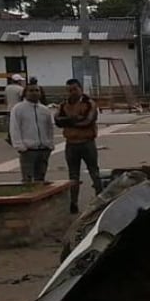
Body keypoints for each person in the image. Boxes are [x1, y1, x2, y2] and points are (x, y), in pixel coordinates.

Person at [56, 78, 102, 210]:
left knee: (94, 172)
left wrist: (68, 122)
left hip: (87, 142)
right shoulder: (64, 105)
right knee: (73, 175)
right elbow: (58, 121)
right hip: (71, 144)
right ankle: (74, 203)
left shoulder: (89, 103)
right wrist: (75, 119)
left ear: (81, 89)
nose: (72, 92)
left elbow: (88, 121)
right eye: (69, 90)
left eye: (75, 89)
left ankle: (100, 199)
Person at [8, 82, 55, 183]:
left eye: (37, 90)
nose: (34, 93)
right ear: (25, 93)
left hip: (43, 149)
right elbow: (14, 128)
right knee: (28, 180)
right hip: (28, 150)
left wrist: (50, 144)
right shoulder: (18, 109)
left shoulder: (45, 110)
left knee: (40, 179)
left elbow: (50, 128)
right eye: (31, 90)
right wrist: (20, 146)